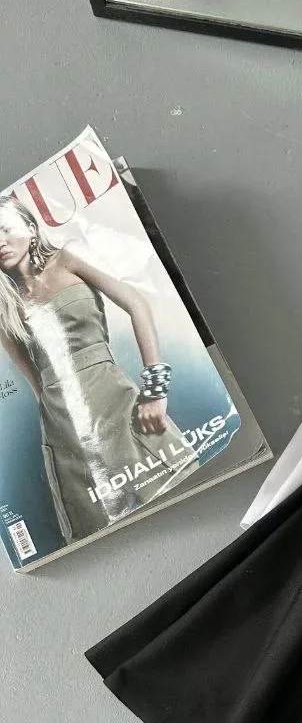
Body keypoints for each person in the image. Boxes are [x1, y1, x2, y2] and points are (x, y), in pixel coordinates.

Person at [0, 194, 196, 541]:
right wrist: (56, 423)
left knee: (184, 491)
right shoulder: (5, 307)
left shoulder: (66, 260)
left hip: (115, 399)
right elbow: (35, 381)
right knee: (105, 532)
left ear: (30, 228)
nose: (0, 242)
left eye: (4, 229)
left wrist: (155, 389)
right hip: (65, 427)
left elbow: (136, 303)